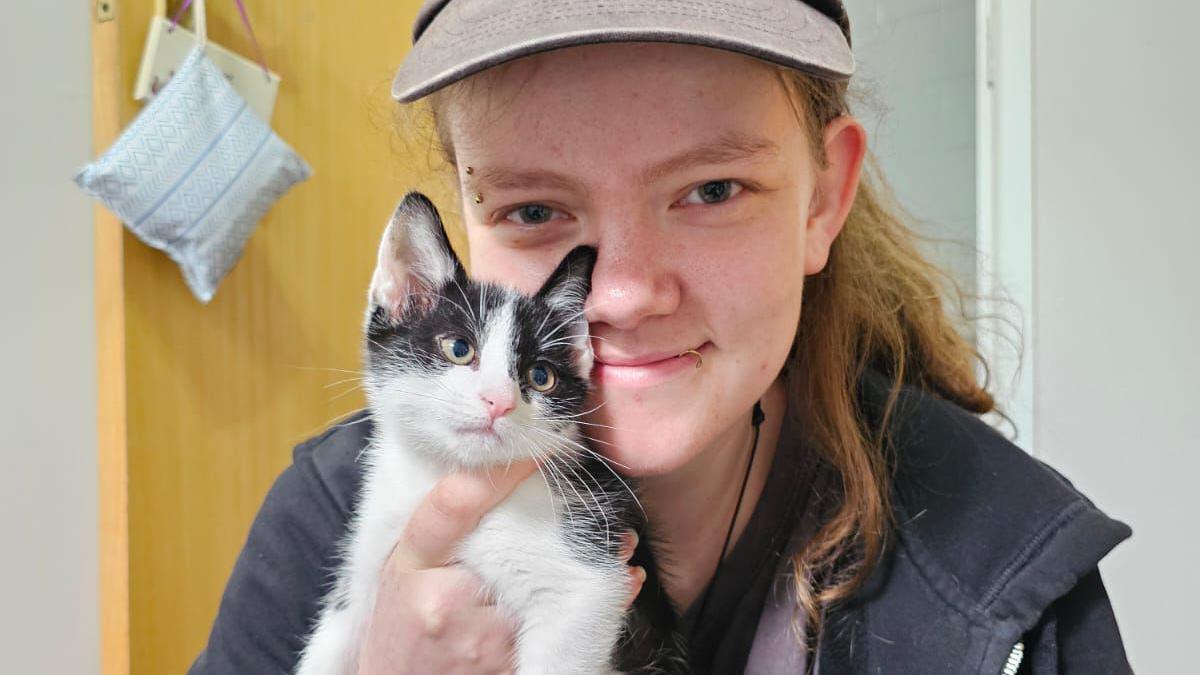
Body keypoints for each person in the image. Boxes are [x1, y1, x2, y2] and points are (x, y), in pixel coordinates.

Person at [190, 1, 1133, 673]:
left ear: (824, 198)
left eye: (712, 190)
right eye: (533, 207)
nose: (628, 293)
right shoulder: (324, 519)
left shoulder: (1002, 572)